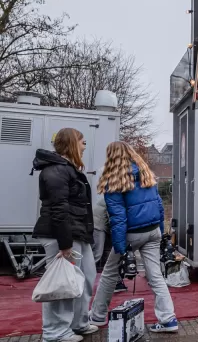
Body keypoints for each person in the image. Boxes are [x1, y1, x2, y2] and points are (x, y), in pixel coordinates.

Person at [89, 142, 178, 333]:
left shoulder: (114, 180)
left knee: (109, 274)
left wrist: (121, 248)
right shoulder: (146, 173)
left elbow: (118, 218)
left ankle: (97, 316)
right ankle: (168, 318)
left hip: (131, 233)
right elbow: (159, 206)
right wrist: (161, 234)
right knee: (155, 275)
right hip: (153, 230)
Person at [32, 128, 99, 342]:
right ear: (72, 143)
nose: (85, 146)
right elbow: (59, 209)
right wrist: (65, 243)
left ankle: (78, 323)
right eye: (82, 142)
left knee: (85, 277)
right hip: (62, 235)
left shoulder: (64, 169)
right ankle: (55, 332)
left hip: (75, 233)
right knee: (61, 283)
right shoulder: (57, 171)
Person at [91, 166, 128, 293]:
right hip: (98, 224)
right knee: (97, 253)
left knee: (108, 254)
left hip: (104, 224)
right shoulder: (112, 195)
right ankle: (85, 281)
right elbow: (112, 217)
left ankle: (115, 282)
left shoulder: (115, 194)